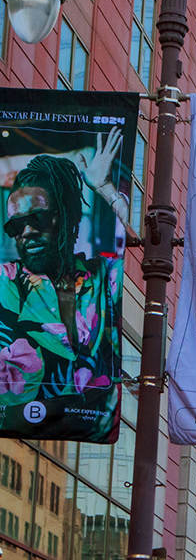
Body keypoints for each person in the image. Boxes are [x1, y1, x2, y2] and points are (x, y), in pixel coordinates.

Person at [0, 136, 130, 431]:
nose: (27, 231)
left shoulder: (103, 276)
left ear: (67, 216)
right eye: (16, 226)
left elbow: (146, 251)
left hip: (94, 439)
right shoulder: (5, 282)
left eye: (39, 218)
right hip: (20, 438)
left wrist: (104, 189)